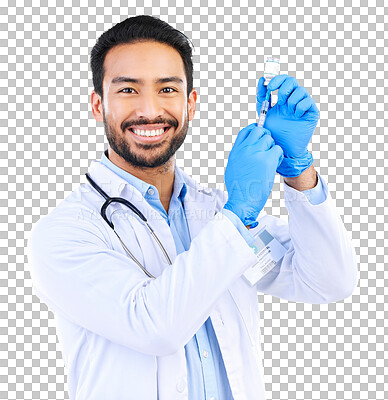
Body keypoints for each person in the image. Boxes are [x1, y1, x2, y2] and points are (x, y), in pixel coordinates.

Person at [27, 15, 358, 400]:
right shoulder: (66, 232)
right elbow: (155, 326)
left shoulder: (217, 213)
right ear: (98, 105)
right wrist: (237, 216)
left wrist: (298, 170)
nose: (150, 110)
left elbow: (328, 281)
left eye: (167, 89)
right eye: (128, 90)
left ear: (191, 104)